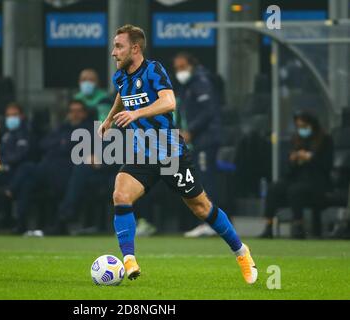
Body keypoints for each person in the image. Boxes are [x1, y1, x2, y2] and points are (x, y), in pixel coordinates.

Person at [98, 24, 257, 284]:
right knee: (120, 194)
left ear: (135, 48)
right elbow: (122, 95)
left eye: (119, 46)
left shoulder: (153, 70)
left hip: (169, 151)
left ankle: (241, 252)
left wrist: (136, 113)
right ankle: (129, 260)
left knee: (201, 207)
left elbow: (169, 102)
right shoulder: (120, 76)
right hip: (141, 152)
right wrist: (108, 119)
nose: (113, 52)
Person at [6, 100, 91, 234]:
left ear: (84, 114)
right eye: (72, 111)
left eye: (78, 111)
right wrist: (61, 143)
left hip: (66, 171)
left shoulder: (88, 129)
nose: (75, 114)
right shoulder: (62, 127)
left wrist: (61, 144)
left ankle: (9, 192)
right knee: (27, 183)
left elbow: (71, 148)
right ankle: (20, 224)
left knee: (26, 168)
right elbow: (43, 144)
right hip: (47, 168)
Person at [259, 111, 333, 239]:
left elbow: (327, 165)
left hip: (316, 180)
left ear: (312, 125)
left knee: (295, 191)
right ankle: (268, 226)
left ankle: (298, 227)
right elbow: (289, 168)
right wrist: (294, 159)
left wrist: (311, 158)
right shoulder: (297, 140)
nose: (301, 130)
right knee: (274, 188)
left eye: (304, 126)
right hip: (296, 178)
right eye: (299, 127)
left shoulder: (325, 140)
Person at [173, 52, 221, 238]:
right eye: (177, 68)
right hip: (199, 140)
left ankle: (210, 222)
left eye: (182, 67)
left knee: (207, 179)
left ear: (192, 65)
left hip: (207, 138)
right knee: (201, 178)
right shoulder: (187, 85)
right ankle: (208, 221)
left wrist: (190, 131)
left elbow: (208, 111)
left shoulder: (201, 82)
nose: (180, 71)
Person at [0, 102, 30, 229]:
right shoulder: (5, 134)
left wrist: (4, 163)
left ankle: (17, 221)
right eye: (8, 115)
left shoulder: (26, 132)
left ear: (21, 116)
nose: (11, 118)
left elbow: (21, 156)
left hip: (18, 173)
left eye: (14, 115)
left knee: (25, 178)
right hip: (4, 171)